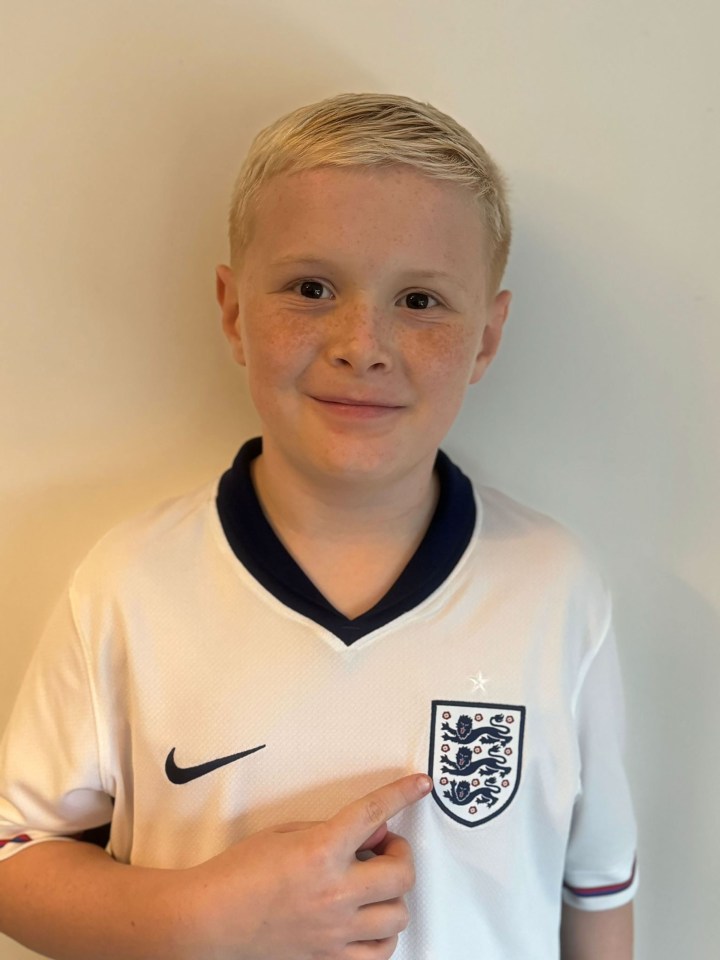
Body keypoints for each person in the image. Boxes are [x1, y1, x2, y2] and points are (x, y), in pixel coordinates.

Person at [0, 92, 637, 959]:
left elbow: (596, 893)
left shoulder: (556, 586)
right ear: (233, 311)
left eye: (420, 300)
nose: (359, 342)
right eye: (312, 288)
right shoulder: (129, 583)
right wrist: (204, 920)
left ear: (487, 338)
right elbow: (16, 852)